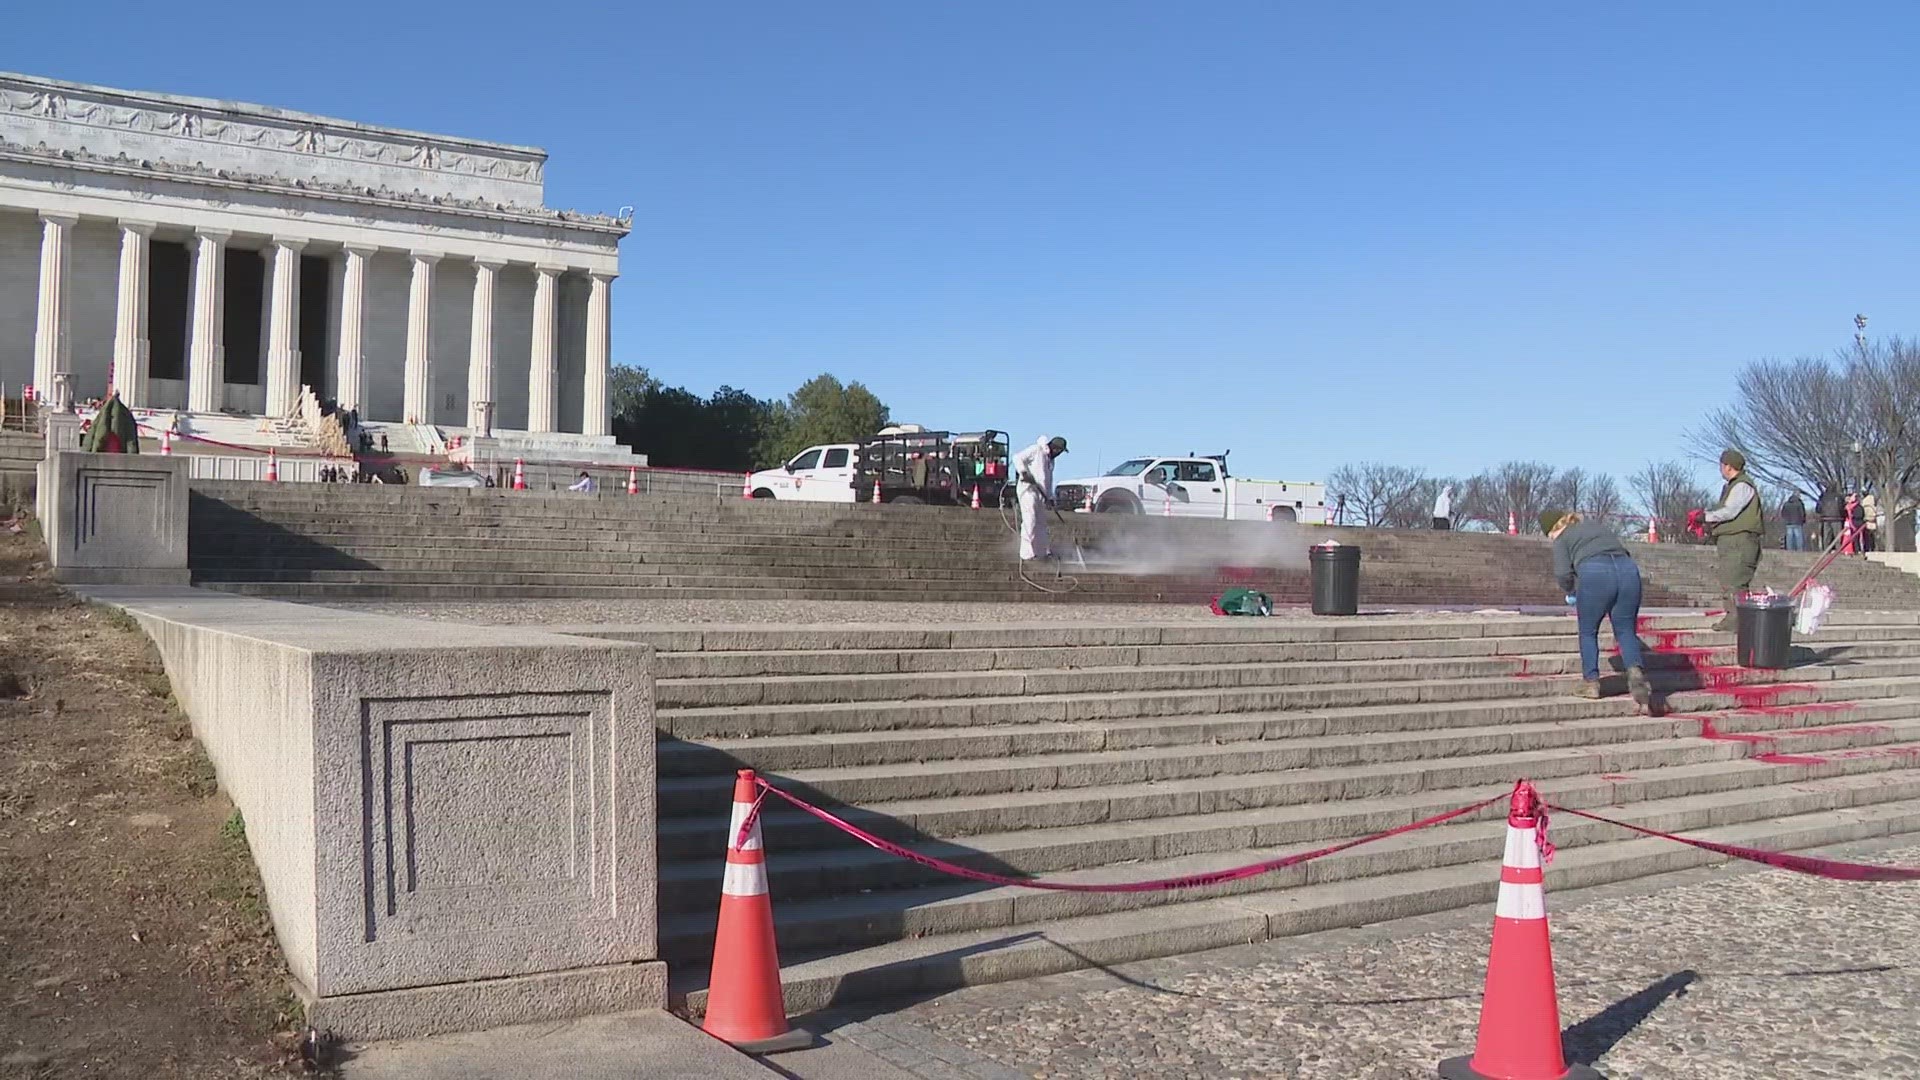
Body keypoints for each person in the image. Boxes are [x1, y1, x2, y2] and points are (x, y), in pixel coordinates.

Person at [1544, 508, 1650, 707]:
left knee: (1588, 631)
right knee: (1626, 631)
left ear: (1552, 529)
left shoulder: (1562, 538)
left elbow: (1562, 573)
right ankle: (1635, 673)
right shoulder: (1595, 526)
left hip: (1595, 573)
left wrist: (1571, 592)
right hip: (1628, 571)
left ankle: (1591, 682)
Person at [1701, 449, 1764, 631]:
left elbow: (1730, 511)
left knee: (1735, 580)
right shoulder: (1733, 485)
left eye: (1722, 465)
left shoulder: (1741, 486)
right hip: (1732, 540)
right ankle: (1734, 617)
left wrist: (1706, 517)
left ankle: (1736, 619)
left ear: (1728, 466)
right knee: (1729, 578)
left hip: (1740, 541)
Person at [1011, 435, 1068, 561]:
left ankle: (1042, 552)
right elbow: (1017, 457)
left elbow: (1047, 480)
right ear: (1055, 448)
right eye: (1060, 451)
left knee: (1041, 523)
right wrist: (1024, 472)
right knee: (1030, 520)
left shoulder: (1051, 461)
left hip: (1041, 494)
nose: (1059, 454)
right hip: (1028, 490)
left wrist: (1050, 497)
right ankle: (1027, 554)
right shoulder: (1036, 450)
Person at [1815, 484, 1844, 550]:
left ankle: (1826, 550)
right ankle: (1838, 550)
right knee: (1838, 536)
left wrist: (1822, 514)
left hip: (1826, 518)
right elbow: (1841, 507)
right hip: (1837, 518)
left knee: (1827, 536)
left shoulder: (1823, 497)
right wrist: (1842, 515)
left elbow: (1818, 508)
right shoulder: (1838, 496)